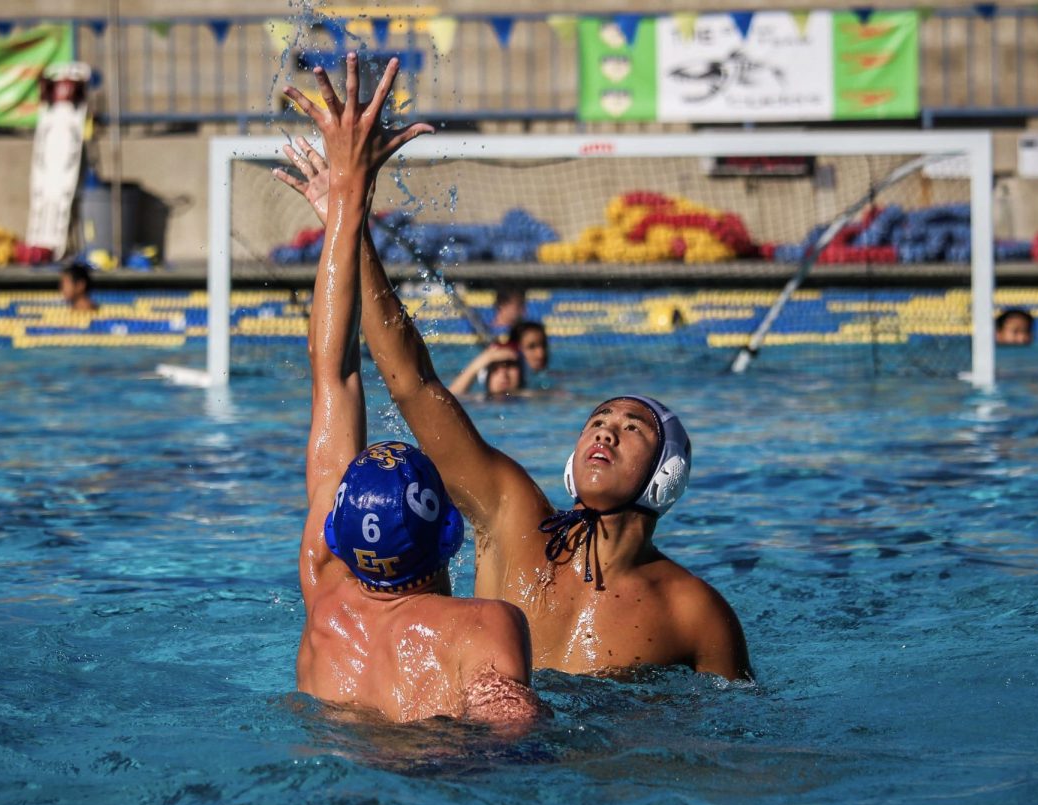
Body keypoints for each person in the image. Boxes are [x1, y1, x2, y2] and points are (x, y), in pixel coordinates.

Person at [279, 58, 751, 681]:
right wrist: (351, 222)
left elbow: (735, 739)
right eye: (598, 419)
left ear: (666, 478)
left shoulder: (695, 612)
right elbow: (414, 383)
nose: (605, 431)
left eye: (633, 427)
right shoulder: (512, 517)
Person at [282, 54, 544, 727]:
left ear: (338, 534)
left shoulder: (323, 596)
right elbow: (514, 744)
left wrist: (343, 202)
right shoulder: (484, 627)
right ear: (448, 537)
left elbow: (333, 374)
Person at [448, 342, 525, 398]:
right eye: (495, 368)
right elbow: (449, 398)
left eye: (509, 365)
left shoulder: (531, 398)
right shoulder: (478, 400)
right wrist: (483, 361)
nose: (503, 374)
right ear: (485, 376)